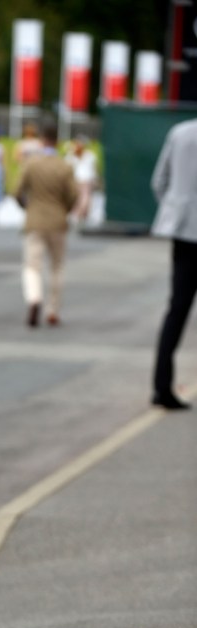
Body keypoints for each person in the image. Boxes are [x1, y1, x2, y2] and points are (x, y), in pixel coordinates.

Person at [149, 117, 197, 410]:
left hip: (183, 231)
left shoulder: (179, 132)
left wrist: (174, 209)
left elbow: (159, 182)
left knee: (177, 310)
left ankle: (161, 386)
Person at [14, 122, 78, 327]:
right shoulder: (65, 167)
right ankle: (53, 310)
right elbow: (74, 195)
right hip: (58, 221)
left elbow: (17, 190)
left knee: (32, 266)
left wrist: (26, 207)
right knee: (57, 267)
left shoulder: (31, 164)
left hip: (35, 220)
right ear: (57, 141)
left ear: (42, 140)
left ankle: (34, 298)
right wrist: (64, 210)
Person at [65, 134, 98, 225]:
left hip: (84, 179)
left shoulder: (89, 155)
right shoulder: (73, 155)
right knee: (82, 198)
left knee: (83, 198)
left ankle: (80, 214)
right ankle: (78, 214)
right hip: (80, 179)